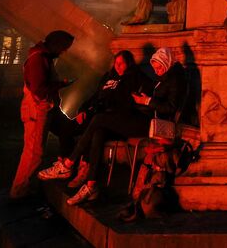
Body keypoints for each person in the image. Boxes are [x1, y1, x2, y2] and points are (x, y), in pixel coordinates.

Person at [68, 47, 188, 206]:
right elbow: (96, 96)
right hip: (143, 117)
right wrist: (144, 99)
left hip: (152, 124)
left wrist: (145, 101)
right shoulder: (163, 77)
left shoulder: (174, 79)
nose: (156, 70)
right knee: (99, 131)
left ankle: (69, 162)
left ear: (166, 63)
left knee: (99, 119)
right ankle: (91, 185)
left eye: (159, 67)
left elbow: (171, 107)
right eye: (154, 67)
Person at [38, 51, 149, 195]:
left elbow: (123, 102)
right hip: (94, 114)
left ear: (129, 63)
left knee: (96, 130)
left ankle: (81, 167)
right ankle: (64, 162)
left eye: (122, 63)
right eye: (116, 63)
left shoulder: (132, 78)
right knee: (66, 128)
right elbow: (94, 96)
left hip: (110, 118)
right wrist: (83, 110)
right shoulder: (108, 77)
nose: (118, 66)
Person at [10, 30, 74, 199]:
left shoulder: (45, 57)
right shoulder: (38, 59)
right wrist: (60, 84)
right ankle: (18, 192)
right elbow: (38, 88)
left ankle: (64, 164)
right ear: (57, 45)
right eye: (64, 47)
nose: (65, 51)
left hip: (47, 108)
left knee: (68, 128)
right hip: (38, 110)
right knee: (33, 153)